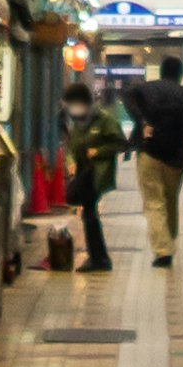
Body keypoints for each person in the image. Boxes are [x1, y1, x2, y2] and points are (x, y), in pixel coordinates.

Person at [123, 50, 183, 266]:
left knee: (153, 202)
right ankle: (169, 240)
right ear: (180, 74)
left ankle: (163, 250)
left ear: (161, 72)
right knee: (170, 200)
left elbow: (128, 94)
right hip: (176, 158)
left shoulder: (148, 89)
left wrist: (141, 122)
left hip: (149, 153)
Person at [64, 77, 122, 275]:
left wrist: (99, 151)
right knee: (89, 214)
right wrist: (70, 161)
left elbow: (120, 143)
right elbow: (72, 146)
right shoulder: (78, 123)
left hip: (97, 173)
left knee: (89, 213)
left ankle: (98, 258)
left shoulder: (105, 119)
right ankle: (99, 257)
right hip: (82, 173)